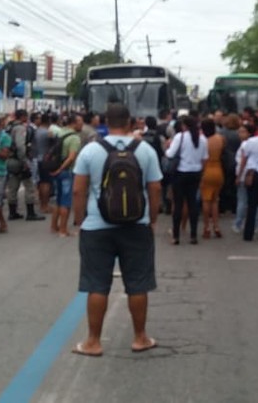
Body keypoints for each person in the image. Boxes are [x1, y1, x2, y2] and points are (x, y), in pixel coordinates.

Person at [70, 103, 162, 357]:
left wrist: (80, 221)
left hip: (97, 226)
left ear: (105, 122)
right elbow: (155, 188)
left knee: (97, 285)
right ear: (130, 122)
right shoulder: (145, 150)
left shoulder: (90, 150)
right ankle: (140, 337)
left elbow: (78, 190)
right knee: (138, 284)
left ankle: (93, 341)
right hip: (137, 225)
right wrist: (152, 219)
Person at [166, 116, 208, 245]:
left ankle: (176, 235)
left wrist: (167, 147)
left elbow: (170, 154)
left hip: (181, 172)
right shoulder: (202, 139)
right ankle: (193, 235)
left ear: (184, 125)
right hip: (195, 172)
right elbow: (205, 158)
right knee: (192, 203)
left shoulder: (180, 137)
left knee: (178, 204)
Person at [48, 114, 83, 236]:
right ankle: (63, 229)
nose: (82, 124)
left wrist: (57, 169)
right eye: (80, 122)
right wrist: (61, 169)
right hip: (66, 171)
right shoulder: (74, 138)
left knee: (58, 199)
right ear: (74, 123)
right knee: (66, 201)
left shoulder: (60, 132)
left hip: (55, 168)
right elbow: (71, 157)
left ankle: (54, 226)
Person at [5, 109, 40, 221]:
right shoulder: (20, 128)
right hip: (19, 160)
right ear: (23, 117)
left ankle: (12, 212)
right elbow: (20, 146)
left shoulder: (9, 127)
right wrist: (24, 161)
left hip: (10, 159)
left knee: (13, 186)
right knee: (29, 186)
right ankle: (30, 213)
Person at [199, 118, 225, 238]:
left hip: (207, 170)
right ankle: (216, 226)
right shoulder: (220, 139)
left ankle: (206, 227)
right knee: (215, 200)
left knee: (206, 200)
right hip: (218, 169)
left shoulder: (203, 141)